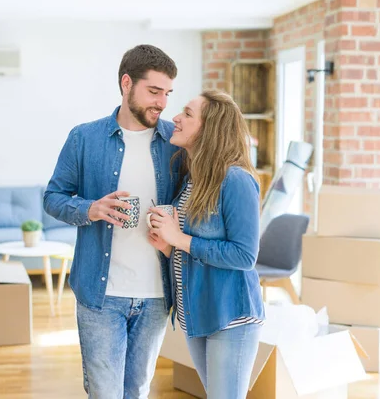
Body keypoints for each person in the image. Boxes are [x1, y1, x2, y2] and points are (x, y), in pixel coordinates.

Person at [43, 44, 181, 399]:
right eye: (153, 91)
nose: (162, 103)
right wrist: (92, 209)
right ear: (126, 83)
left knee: (136, 389)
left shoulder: (176, 143)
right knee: (105, 393)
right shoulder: (84, 138)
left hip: (155, 295)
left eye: (167, 93)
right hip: (100, 294)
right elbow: (53, 198)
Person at [148, 90, 265, 399]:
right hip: (197, 314)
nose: (176, 117)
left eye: (187, 113)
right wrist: (167, 245)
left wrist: (179, 239)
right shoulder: (193, 180)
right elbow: (188, 247)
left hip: (230, 316)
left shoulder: (236, 181)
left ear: (209, 128)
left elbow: (244, 255)